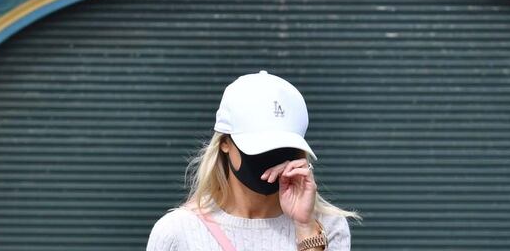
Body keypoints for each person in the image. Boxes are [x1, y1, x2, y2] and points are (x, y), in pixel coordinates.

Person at [146, 70, 359, 251]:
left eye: (283, 148)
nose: (270, 159)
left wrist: (305, 229)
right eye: (258, 147)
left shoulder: (328, 226)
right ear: (225, 143)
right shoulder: (178, 232)